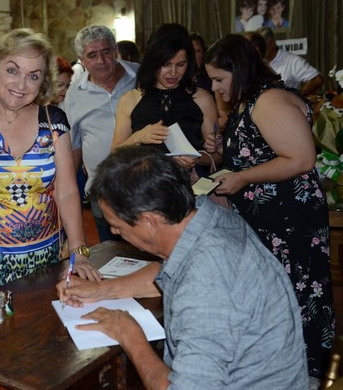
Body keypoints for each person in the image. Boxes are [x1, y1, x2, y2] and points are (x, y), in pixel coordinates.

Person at [57, 145, 308, 389]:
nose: (113, 231)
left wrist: (130, 335)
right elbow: (170, 271)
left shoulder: (206, 282)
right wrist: (102, 290)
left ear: (149, 222)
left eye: (118, 226)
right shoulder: (204, 215)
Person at [205, 34, 334, 382]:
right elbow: (256, 152)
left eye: (219, 79)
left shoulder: (270, 100)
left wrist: (243, 178)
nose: (215, 88)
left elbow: (302, 159)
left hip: (290, 221)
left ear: (240, 70)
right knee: (276, 299)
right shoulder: (249, 102)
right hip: (271, 221)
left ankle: (303, 375)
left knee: (297, 294)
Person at [0, 28, 100, 301]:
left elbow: (66, 190)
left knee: (44, 333)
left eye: (33, 76)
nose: (21, 84)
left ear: (43, 82)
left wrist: (78, 250)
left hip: (45, 259)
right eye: (12, 70)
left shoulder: (53, 122)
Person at [64, 24, 139, 242]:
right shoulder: (75, 94)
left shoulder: (141, 76)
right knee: (113, 257)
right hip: (103, 191)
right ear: (81, 60)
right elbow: (74, 147)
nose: (101, 61)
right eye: (92, 55)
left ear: (115, 50)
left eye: (106, 52)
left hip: (146, 184)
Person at [111, 23, 219, 173]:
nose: (173, 73)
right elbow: (114, 155)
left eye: (180, 64)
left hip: (188, 189)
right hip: (143, 190)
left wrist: (197, 157)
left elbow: (217, 155)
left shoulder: (202, 98)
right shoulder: (131, 100)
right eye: (166, 64)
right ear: (153, 61)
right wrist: (139, 137)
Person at [257, 26, 324, 96]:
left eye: (262, 46)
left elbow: (317, 79)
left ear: (271, 43)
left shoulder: (291, 61)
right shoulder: (257, 61)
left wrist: (297, 97)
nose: (258, 51)